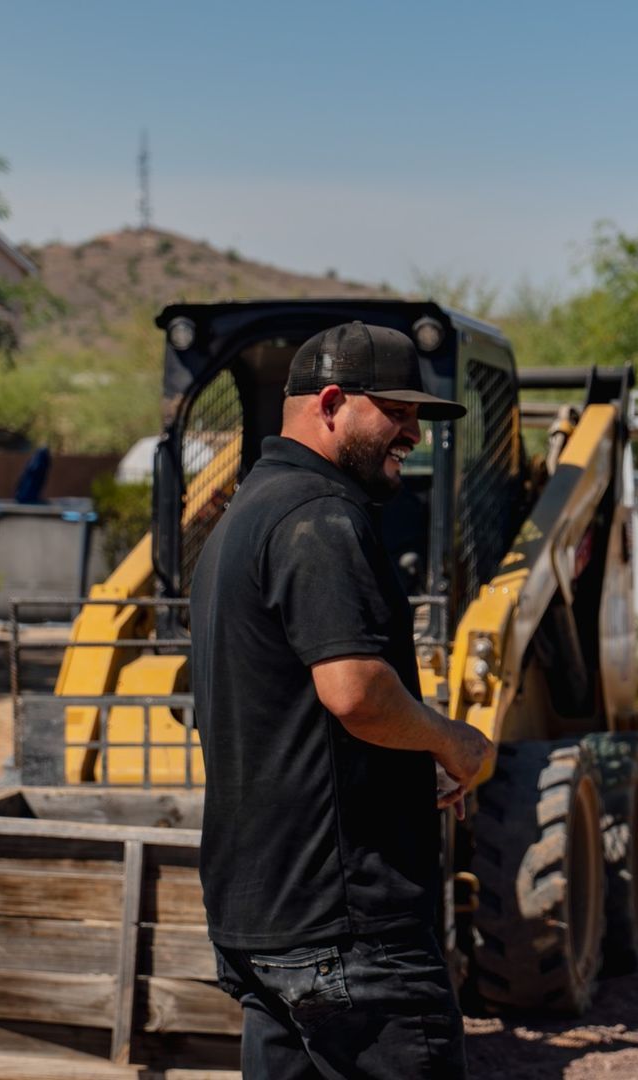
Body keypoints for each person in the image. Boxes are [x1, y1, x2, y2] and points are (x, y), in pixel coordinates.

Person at [190, 321, 492, 1079]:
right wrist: (449, 742)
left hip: (264, 921)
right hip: (348, 931)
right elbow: (354, 693)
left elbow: (294, 717)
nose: (413, 434)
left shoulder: (244, 520)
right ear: (331, 402)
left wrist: (392, 768)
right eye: (397, 411)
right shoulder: (320, 515)